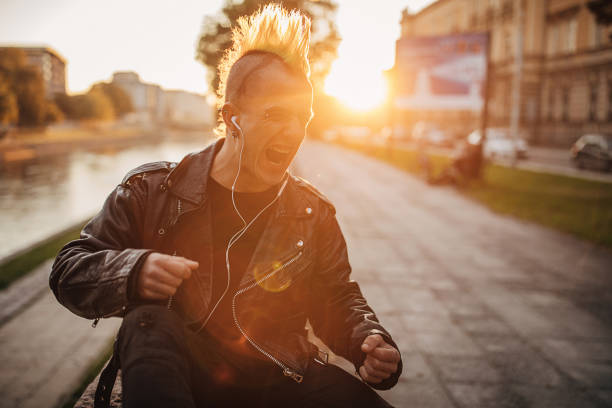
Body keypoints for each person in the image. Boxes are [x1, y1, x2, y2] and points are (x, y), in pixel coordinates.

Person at [50, 5, 402, 407]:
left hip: (278, 376)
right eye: (276, 115)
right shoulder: (152, 190)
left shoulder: (312, 211)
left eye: (302, 117)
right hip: (182, 372)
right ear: (232, 118)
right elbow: (68, 269)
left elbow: (337, 297)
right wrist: (133, 271)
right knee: (148, 320)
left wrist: (366, 340)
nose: (294, 132)